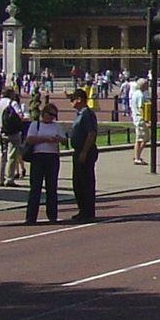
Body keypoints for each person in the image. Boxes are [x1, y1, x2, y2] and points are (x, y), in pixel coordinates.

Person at [21, 101, 67, 224]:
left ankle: (52, 215)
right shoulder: (35, 125)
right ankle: (31, 217)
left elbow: (64, 140)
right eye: (50, 114)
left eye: (54, 115)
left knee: (51, 187)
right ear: (44, 113)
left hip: (52, 157)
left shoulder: (57, 126)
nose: (52, 118)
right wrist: (45, 139)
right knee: (35, 188)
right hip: (38, 157)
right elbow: (30, 139)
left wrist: (59, 139)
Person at [67, 88, 99, 222]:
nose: (71, 103)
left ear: (79, 100)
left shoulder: (87, 114)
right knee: (78, 182)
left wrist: (84, 151)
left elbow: (91, 134)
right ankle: (83, 210)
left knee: (84, 182)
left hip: (84, 151)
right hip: (78, 150)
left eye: (72, 100)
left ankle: (87, 211)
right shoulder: (80, 114)